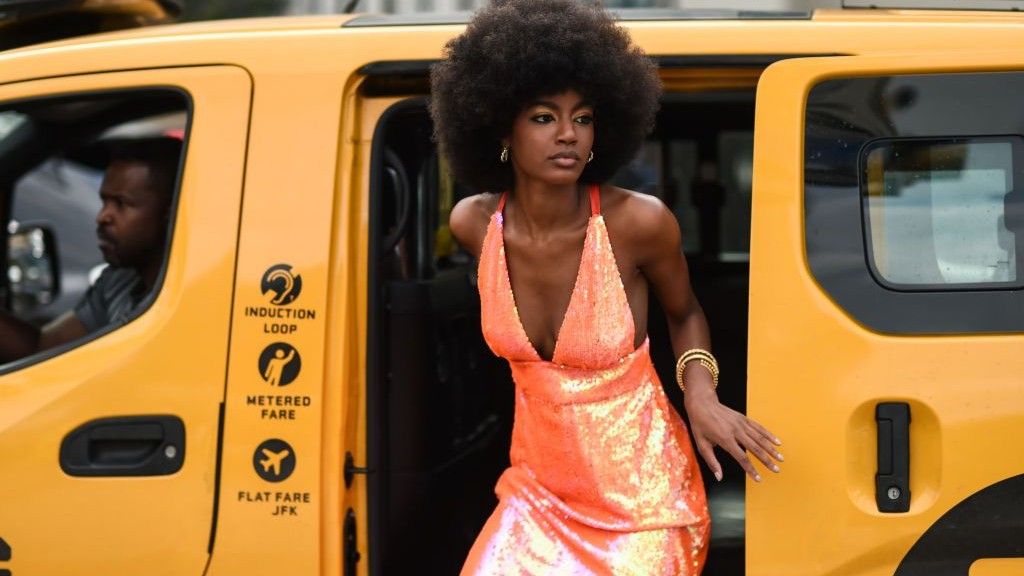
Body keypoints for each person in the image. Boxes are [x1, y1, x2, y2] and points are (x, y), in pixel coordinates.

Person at [430, 1, 783, 573]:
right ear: (501, 127)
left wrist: (701, 397)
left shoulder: (637, 223)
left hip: (643, 503)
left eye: (584, 117)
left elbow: (687, 312)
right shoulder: (474, 225)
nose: (568, 134)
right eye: (544, 117)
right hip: (535, 496)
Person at [0, 137, 181, 363]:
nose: (102, 216)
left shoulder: (186, 303)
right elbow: (44, 348)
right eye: (104, 202)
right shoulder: (120, 281)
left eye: (122, 203)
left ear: (170, 214)